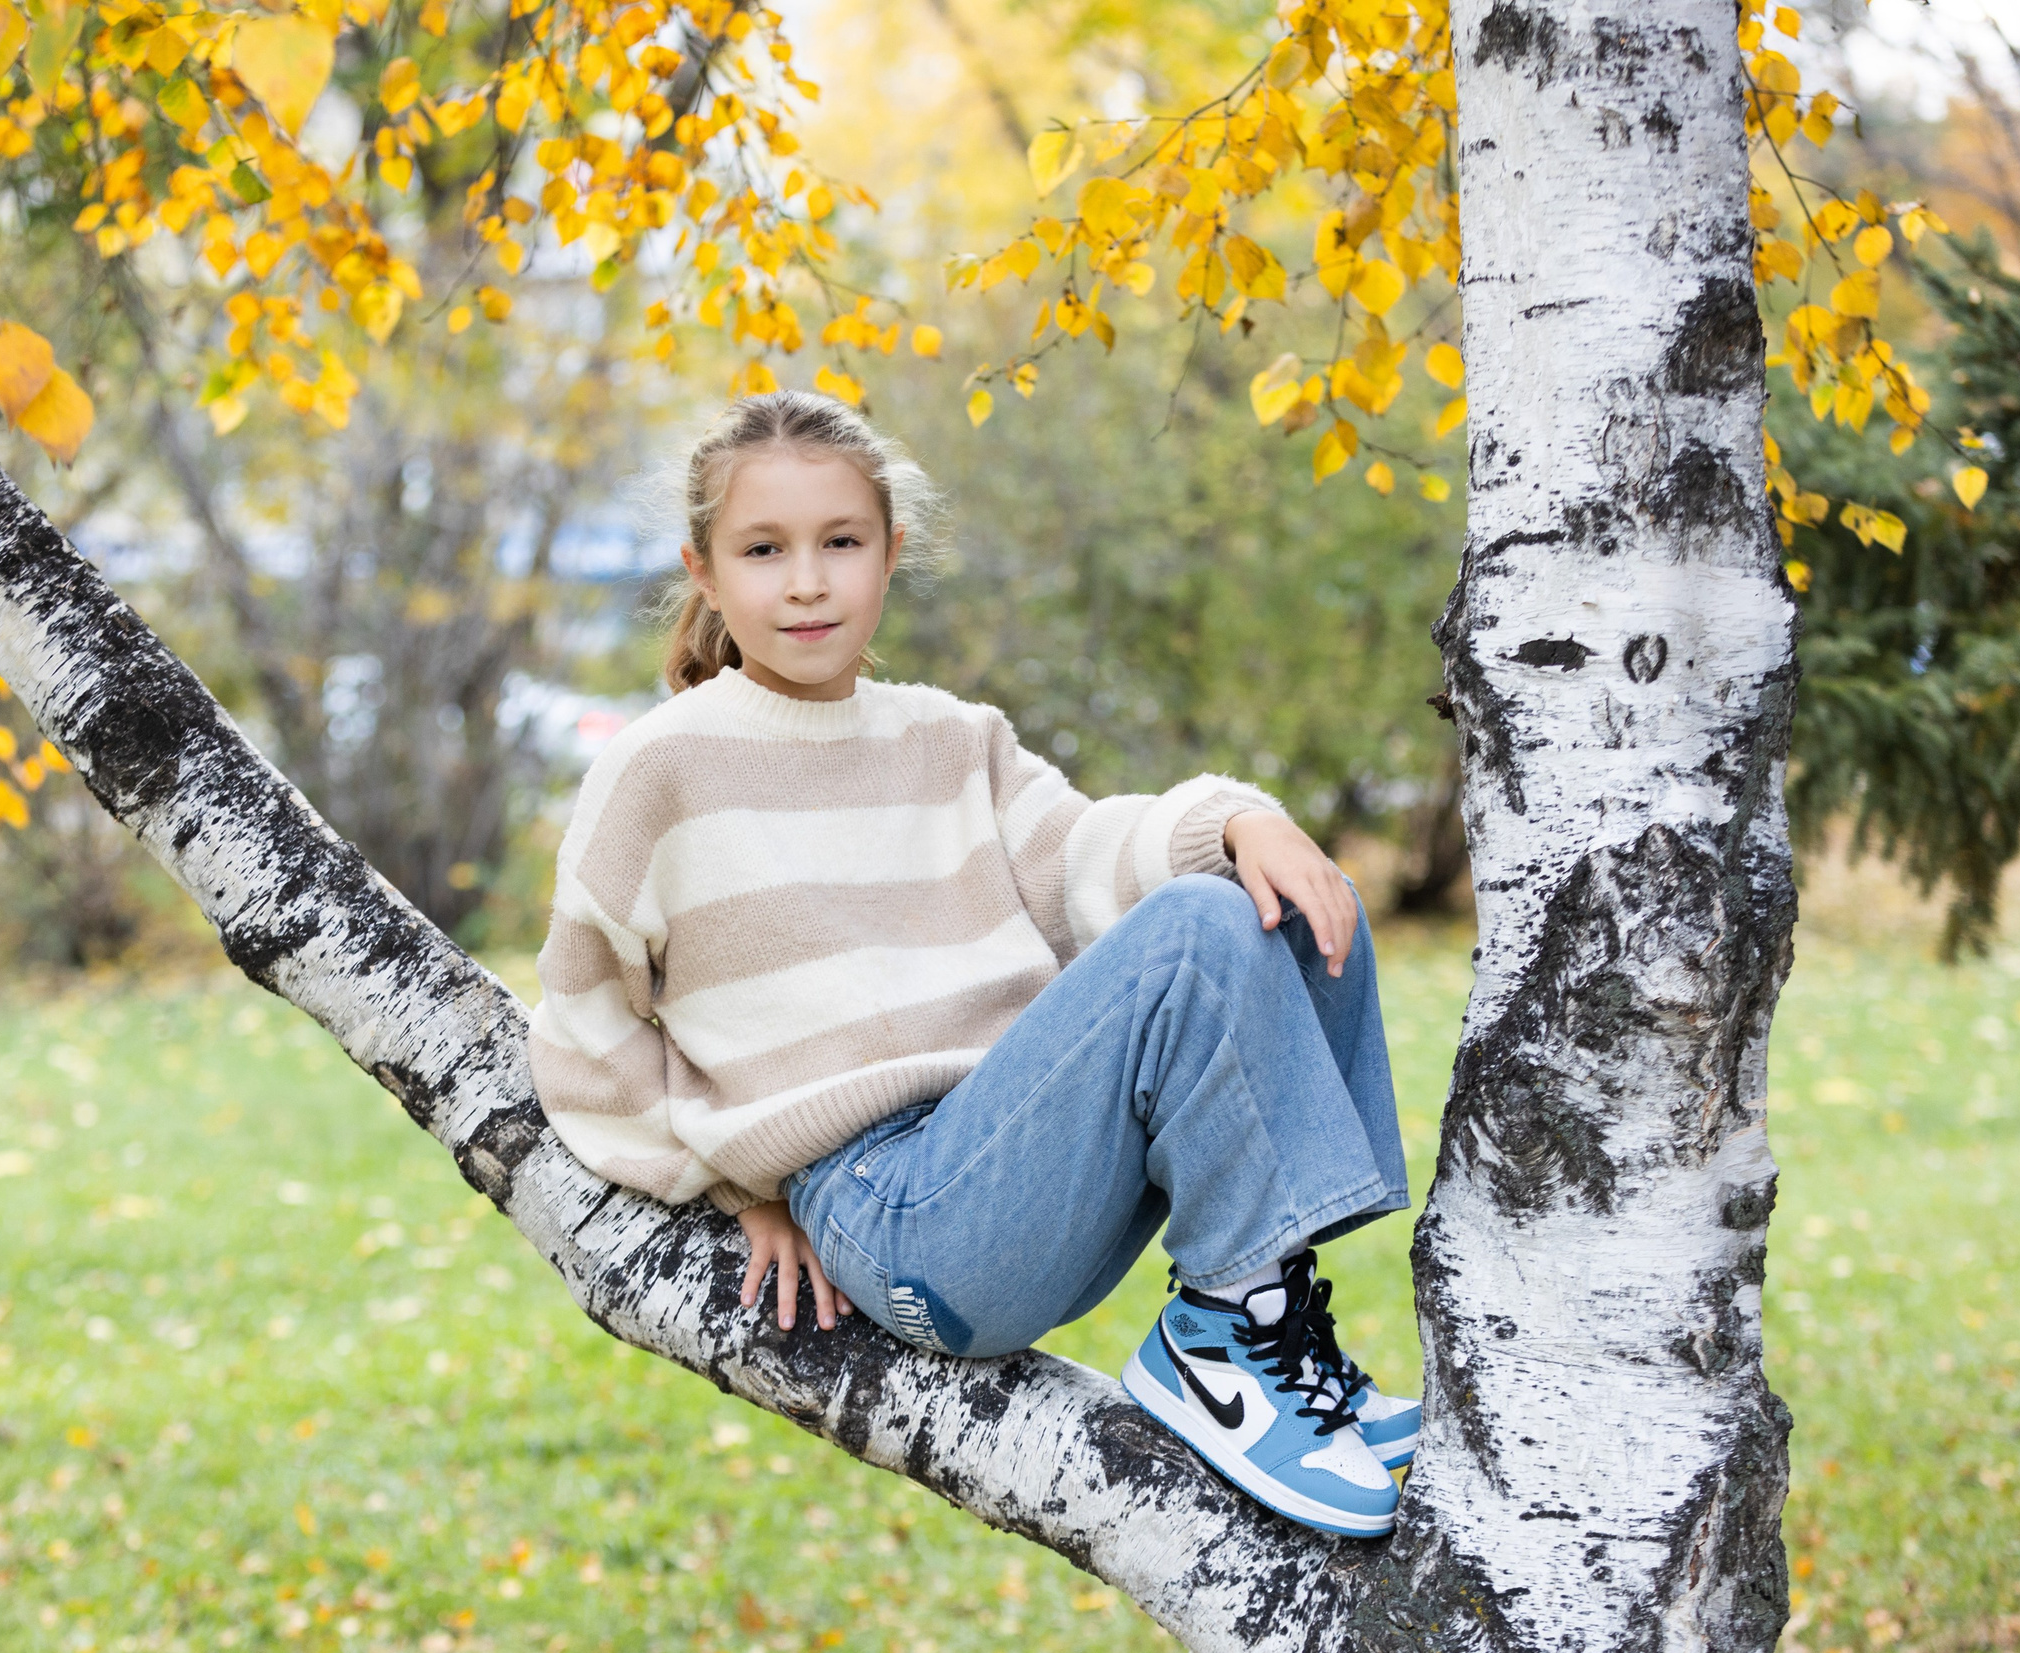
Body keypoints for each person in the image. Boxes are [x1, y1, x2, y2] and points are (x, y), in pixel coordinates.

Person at [529, 391, 1419, 1538]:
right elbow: (585, 1025)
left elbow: (1083, 859)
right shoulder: (660, 771)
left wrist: (1242, 820)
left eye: (840, 544)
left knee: (1288, 900)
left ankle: (1270, 1323)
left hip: (1028, 1165)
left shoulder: (954, 739)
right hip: (895, 1213)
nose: (806, 583)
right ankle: (1219, 1343)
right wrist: (730, 1184)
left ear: (890, 555)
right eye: (765, 551)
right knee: (1203, 925)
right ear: (702, 570)